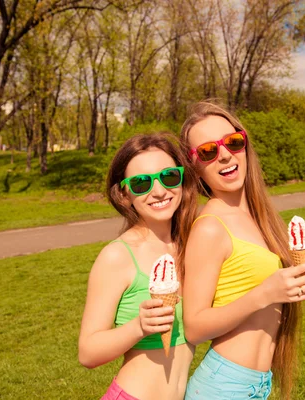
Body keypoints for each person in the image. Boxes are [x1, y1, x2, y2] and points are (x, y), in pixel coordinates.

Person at [179, 102, 305, 400]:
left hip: (257, 385)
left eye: (232, 142)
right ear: (194, 166)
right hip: (223, 387)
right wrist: (264, 294)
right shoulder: (209, 227)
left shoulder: (258, 218)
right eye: (208, 151)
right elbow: (194, 327)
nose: (224, 155)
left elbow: (291, 284)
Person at [78, 133, 199, 400]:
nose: (158, 191)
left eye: (168, 176)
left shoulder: (192, 245)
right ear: (124, 194)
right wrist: (138, 327)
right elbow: (87, 352)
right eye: (142, 183)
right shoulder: (117, 256)